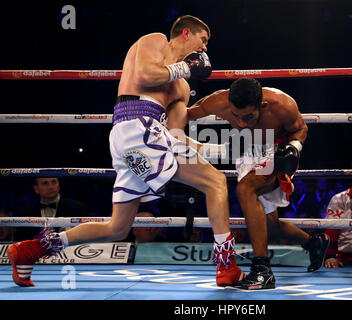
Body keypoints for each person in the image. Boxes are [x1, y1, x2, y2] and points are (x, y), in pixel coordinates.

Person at [8, 15, 244, 287]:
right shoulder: (155, 42)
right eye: (203, 40)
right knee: (215, 182)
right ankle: (227, 266)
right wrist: (185, 67)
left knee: (117, 229)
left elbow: (174, 138)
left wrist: (223, 150)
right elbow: (145, 75)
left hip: (143, 138)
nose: (205, 49)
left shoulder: (182, 87)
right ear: (186, 33)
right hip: (134, 125)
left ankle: (30, 250)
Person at [186, 77, 329, 290]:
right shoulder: (218, 102)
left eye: (248, 117)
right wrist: (158, 123)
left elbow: (301, 129)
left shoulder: (282, 105)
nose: (242, 123)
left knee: (245, 190)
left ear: (262, 105)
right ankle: (313, 242)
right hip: (247, 152)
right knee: (265, 225)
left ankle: (262, 271)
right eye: (236, 116)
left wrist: (294, 148)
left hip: (276, 149)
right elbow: (187, 114)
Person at [15, 177, 88, 241]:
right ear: (36, 189)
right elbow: (21, 239)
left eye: (54, 182)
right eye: (45, 183)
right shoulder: (26, 212)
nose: (51, 187)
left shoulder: (76, 208)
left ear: (58, 185)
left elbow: (84, 235)